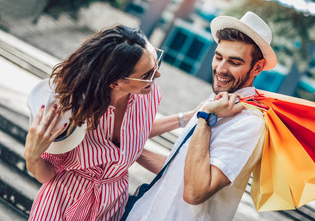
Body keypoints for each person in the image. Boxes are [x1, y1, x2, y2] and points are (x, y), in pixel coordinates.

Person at [24, 25, 196, 221]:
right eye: (146, 74)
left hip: (112, 206)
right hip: (62, 204)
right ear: (115, 83)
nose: (157, 75)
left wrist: (186, 118)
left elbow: (137, 130)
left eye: (157, 64)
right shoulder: (71, 111)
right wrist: (32, 157)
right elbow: (46, 175)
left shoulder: (148, 95)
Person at [126, 11, 277, 221]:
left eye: (234, 62)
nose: (220, 69)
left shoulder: (249, 122)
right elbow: (177, 170)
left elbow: (195, 191)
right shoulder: (213, 102)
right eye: (218, 57)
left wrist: (205, 117)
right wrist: (125, 151)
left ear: (257, 67)